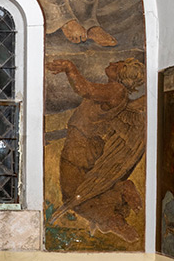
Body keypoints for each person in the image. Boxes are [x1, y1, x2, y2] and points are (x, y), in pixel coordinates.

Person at [46, 58, 146, 242]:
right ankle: (117, 201)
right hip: (81, 145)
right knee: (81, 193)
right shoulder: (115, 91)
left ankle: (115, 221)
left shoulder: (116, 90)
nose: (112, 62)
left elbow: (84, 89)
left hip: (81, 148)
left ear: (123, 73)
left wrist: (69, 67)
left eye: (118, 64)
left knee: (75, 197)